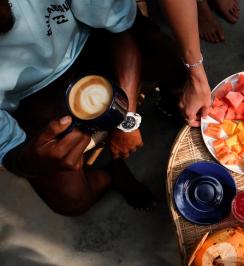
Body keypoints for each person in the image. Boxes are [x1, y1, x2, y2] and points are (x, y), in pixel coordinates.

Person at [0, 0, 212, 216]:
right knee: (72, 202)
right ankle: (111, 173)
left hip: (89, 38)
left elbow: (120, 29)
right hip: (29, 98)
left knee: (174, 63)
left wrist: (126, 120)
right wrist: (29, 162)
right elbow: (8, 151)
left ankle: (170, 101)